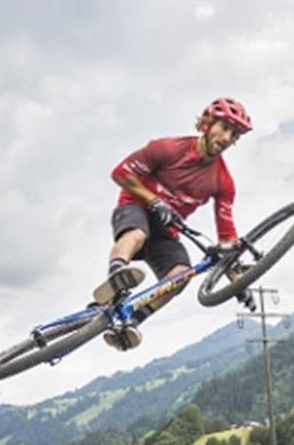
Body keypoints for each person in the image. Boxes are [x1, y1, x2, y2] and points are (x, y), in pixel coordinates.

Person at [97, 97, 256, 351]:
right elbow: (120, 173)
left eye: (234, 134)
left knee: (182, 275)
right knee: (136, 234)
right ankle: (117, 274)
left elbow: (227, 240)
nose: (227, 137)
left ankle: (131, 324)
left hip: (165, 230)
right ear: (207, 123)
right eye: (224, 127)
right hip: (136, 205)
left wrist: (239, 284)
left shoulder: (223, 182)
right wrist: (156, 201)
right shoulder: (167, 148)